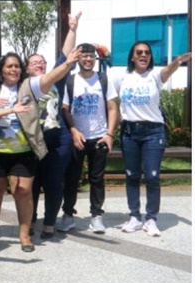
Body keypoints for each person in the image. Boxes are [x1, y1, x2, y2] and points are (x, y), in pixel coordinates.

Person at [0, 48, 79, 252]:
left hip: (24, 151)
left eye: (17, 66)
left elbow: (50, 77)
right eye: (9, 66)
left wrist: (67, 64)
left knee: (23, 191)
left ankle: (24, 234)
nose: (14, 69)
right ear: (1, 69)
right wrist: (7, 109)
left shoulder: (29, 86)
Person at [114, 43, 191, 236]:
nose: (143, 55)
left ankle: (151, 219)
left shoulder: (155, 76)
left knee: (152, 176)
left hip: (153, 132)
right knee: (132, 175)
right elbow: (113, 103)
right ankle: (134, 217)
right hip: (129, 132)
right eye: (139, 52)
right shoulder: (121, 77)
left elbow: (168, 71)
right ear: (132, 56)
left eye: (147, 53)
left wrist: (177, 62)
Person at [27, 12, 79, 239]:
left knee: (53, 183)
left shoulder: (55, 78)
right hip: (32, 140)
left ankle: (49, 224)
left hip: (58, 139)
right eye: (33, 62)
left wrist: (73, 28)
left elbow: (66, 54)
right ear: (27, 68)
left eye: (42, 62)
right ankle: (29, 222)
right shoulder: (24, 84)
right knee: (32, 183)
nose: (39, 64)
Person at [60, 43, 119, 234]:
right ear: (77, 58)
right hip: (78, 137)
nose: (88, 59)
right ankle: (68, 214)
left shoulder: (103, 79)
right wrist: (74, 130)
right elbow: (65, 109)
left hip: (99, 137)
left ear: (95, 58)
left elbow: (112, 108)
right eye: (84, 55)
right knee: (72, 177)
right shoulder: (70, 81)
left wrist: (109, 134)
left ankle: (96, 216)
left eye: (91, 56)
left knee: (97, 178)